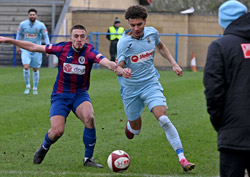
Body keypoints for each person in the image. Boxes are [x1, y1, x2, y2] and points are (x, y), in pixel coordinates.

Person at [0, 25, 117, 168]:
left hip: (80, 94)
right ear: (71, 38)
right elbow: (33, 46)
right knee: (57, 132)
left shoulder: (90, 51)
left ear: (86, 39)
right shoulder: (62, 48)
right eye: (76, 36)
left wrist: (117, 68)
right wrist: (9, 40)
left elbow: (106, 62)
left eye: (82, 36)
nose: (79, 39)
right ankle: (44, 147)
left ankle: (88, 159)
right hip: (60, 95)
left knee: (89, 117)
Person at [115, 5, 195, 172]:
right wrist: (124, 71)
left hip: (150, 84)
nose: (136, 28)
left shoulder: (152, 33)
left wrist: (174, 63)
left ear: (145, 21)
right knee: (135, 131)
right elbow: (118, 67)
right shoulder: (123, 43)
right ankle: (131, 126)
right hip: (131, 90)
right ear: (128, 24)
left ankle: (182, 158)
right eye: (132, 25)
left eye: (139, 24)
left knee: (163, 118)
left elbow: (161, 47)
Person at [203, 0, 250, 176]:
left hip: (233, 133)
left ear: (222, 21)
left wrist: (221, 123)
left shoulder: (220, 46)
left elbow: (213, 91)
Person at [16, 8, 50, 95]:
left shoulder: (41, 25)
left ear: (36, 15)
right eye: (30, 15)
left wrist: (48, 47)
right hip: (26, 49)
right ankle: (27, 86)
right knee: (26, 66)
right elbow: (19, 35)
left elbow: (45, 36)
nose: (32, 16)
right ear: (28, 15)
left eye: (33, 15)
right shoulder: (23, 24)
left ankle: (35, 87)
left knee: (35, 69)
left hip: (36, 48)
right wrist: (18, 46)